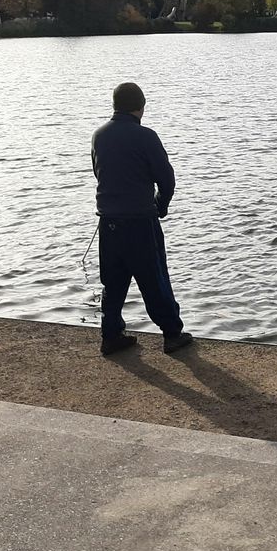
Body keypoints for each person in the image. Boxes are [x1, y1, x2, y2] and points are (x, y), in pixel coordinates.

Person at [92, 82, 193, 356]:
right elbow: (166, 180)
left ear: (115, 106)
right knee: (154, 279)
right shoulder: (146, 136)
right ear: (141, 107)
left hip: (109, 222)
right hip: (139, 221)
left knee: (113, 282)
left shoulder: (99, 136)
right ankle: (172, 334)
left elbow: (98, 172)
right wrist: (161, 205)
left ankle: (111, 335)